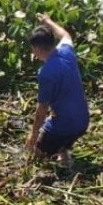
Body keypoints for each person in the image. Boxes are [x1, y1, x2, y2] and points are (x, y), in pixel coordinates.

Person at [25, 14, 89, 167]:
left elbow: (41, 110)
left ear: (37, 49)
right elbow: (65, 34)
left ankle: (48, 153)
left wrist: (33, 136)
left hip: (66, 125)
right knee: (58, 132)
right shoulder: (67, 51)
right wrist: (48, 21)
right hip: (83, 122)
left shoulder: (46, 73)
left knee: (34, 152)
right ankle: (64, 155)